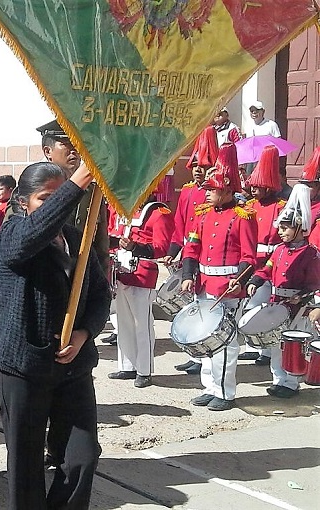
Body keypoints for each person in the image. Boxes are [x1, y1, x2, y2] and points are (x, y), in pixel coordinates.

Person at [0, 161, 111, 509]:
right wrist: (75, 184)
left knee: (82, 456)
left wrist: (84, 333)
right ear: (22, 202)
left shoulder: (78, 239)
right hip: (24, 370)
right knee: (26, 467)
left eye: (61, 198)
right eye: (46, 198)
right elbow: (33, 236)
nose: (56, 204)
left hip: (72, 369)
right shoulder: (12, 235)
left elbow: (101, 295)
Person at [180, 143, 258, 411]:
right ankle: (209, 386)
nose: (208, 193)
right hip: (203, 286)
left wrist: (239, 280)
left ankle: (225, 392)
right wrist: (188, 275)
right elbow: (192, 247)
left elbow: (250, 257)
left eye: (212, 189)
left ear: (226, 190)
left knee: (226, 343)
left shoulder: (242, 217)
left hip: (228, 289)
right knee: (206, 339)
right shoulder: (202, 215)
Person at [247, 183, 320, 399]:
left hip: (298, 307)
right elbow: (267, 270)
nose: (281, 232)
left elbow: (315, 283)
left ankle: (291, 382)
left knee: (293, 344)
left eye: (285, 228)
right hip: (276, 302)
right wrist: (255, 281)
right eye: (280, 228)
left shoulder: (311, 254)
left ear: (299, 228)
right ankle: (278, 378)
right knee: (276, 343)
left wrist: (304, 297)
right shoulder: (279, 250)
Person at [165, 125, 219, 375]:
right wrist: (173, 250)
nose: (199, 170)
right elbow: (179, 227)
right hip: (190, 254)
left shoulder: (220, 198)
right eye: (195, 165)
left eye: (204, 166)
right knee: (193, 307)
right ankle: (196, 355)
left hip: (209, 257)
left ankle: (209, 356)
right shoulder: (186, 192)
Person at [107, 198, 173, 388]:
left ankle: (144, 370)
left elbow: (161, 247)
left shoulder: (159, 212)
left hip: (142, 272)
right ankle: (127, 366)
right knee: (123, 321)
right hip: (120, 271)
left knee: (141, 324)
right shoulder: (124, 208)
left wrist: (134, 247)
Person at [38, 120, 110, 273]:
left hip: (83, 281)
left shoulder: (93, 192)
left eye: (77, 143)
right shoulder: (32, 192)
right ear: (47, 151)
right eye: (66, 143)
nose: (74, 150)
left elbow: (101, 248)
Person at [242, 146, 287, 364]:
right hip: (253, 263)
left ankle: (266, 350)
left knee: (265, 307)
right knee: (250, 306)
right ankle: (253, 345)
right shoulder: (249, 207)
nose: (253, 189)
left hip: (271, 265)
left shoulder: (281, 207)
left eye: (258, 186)